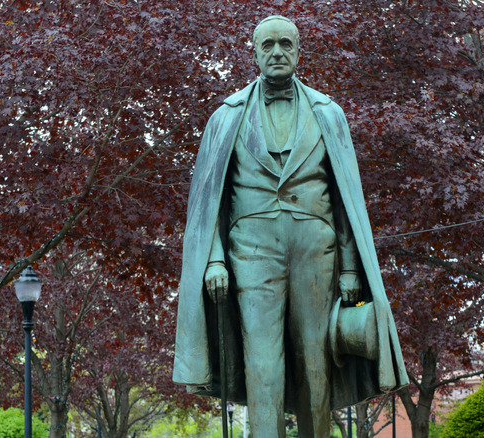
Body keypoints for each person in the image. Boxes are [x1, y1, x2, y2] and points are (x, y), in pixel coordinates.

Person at [173, 15, 407, 437]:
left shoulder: (328, 113)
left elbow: (344, 199)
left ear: (299, 52)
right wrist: (213, 260)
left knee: (316, 364)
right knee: (262, 363)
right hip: (251, 252)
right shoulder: (226, 117)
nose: (277, 52)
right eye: (268, 45)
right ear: (254, 53)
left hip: (317, 253)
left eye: (286, 44)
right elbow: (209, 202)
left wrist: (350, 268)